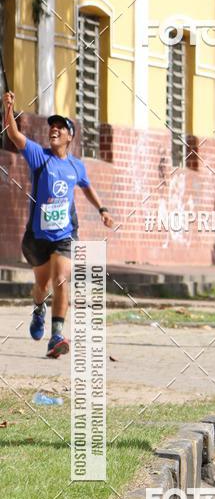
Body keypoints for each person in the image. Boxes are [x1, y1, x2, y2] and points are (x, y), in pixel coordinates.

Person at [2, 91, 113, 358]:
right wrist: (8, 108)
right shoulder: (39, 156)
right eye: (52, 126)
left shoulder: (76, 166)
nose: (54, 129)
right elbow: (15, 135)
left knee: (61, 278)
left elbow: (86, 187)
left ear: (69, 136)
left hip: (65, 234)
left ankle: (56, 336)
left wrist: (103, 210)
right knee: (42, 287)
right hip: (37, 236)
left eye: (60, 127)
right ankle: (38, 309)